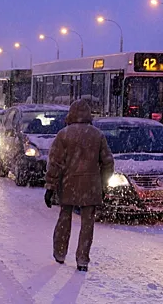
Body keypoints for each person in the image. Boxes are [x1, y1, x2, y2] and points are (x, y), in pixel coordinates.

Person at [44, 99, 114, 272]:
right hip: (91, 184)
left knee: (64, 218)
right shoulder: (97, 135)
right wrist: (103, 183)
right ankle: (82, 259)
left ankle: (60, 253)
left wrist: (50, 186)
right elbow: (107, 162)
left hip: (68, 183)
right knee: (87, 223)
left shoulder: (64, 134)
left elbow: (55, 162)